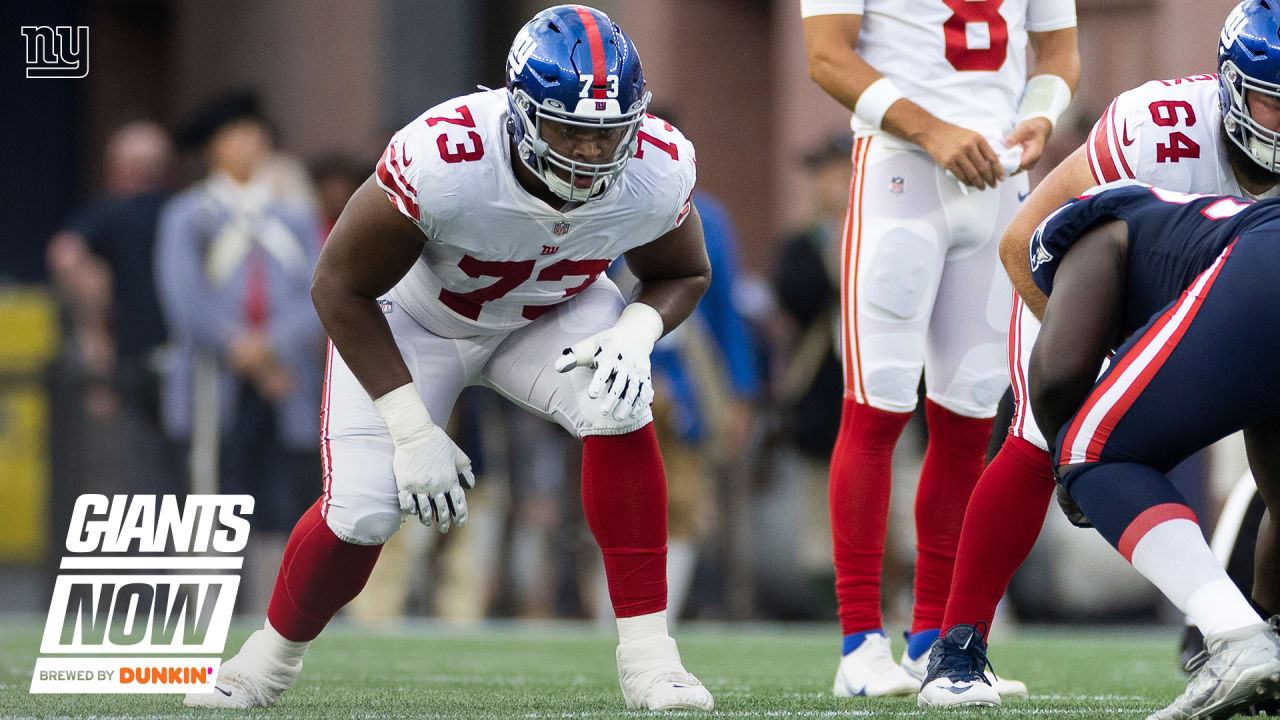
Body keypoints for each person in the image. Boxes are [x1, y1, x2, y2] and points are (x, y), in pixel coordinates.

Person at [185, 6, 714, 712]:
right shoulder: (445, 157)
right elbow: (336, 285)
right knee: (365, 513)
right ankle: (266, 661)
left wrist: (637, 330)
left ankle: (652, 661)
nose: (591, 154)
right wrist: (411, 429)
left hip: (548, 314)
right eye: (570, 132)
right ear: (521, 114)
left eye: (608, 133)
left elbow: (684, 271)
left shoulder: (657, 163)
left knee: (619, 400)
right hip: (416, 320)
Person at [923, 1, 1280, 705]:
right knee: (1036, 437)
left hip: (1222, 304)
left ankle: (1262, 630)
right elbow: (1022, 238)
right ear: (1233, 88)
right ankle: (958, 649)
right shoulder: (1161, 129)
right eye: (1272, 103)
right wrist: (1098, 376)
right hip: (1092, 287)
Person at [800, 0, 1080, 699]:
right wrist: (932, 128)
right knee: (877, 407)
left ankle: (935, 640)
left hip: (998, 181)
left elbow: (1057, 53)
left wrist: (1038, 119)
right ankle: (860, 643)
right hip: (902, 169)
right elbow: (826, 55)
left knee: (967, 417)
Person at [1024, 181, 1280, 720]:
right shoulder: (1194, 231)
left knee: (1090, 451)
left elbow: (1056, 376)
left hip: (1262, 266)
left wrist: (1065, 464)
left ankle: (1236, 638)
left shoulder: (1095, 232)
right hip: (1260, 274)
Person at [155, 91, 326, 608]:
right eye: (236, 134)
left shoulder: (294, 218)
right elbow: (185, 300)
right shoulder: (189, 215)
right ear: (213, 148)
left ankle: (271, 612)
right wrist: (244, 351)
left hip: (282, 383)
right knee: (212, 491)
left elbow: (319, 293)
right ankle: (208, 611)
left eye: (256, 133)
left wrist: (271, 347)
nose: (250, 144)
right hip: (216, 382)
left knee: (277, 500)